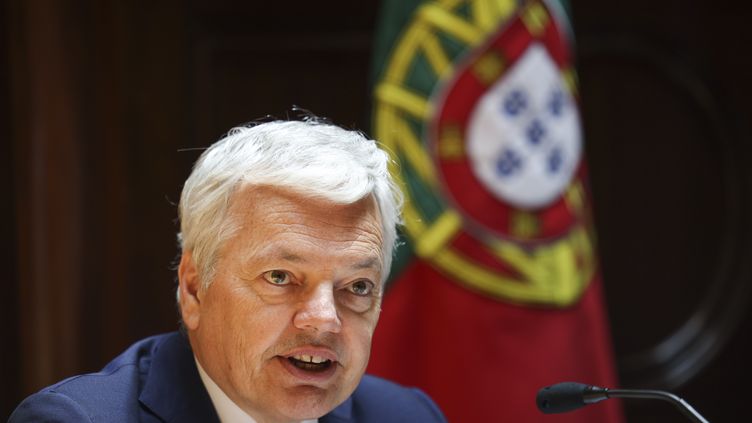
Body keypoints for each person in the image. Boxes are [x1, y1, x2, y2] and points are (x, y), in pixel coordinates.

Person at [10, 119, 447, 423]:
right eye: (280, 277)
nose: (325, 319)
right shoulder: (77, 420)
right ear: (194, 289)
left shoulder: (407, 416)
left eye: (357, 286)